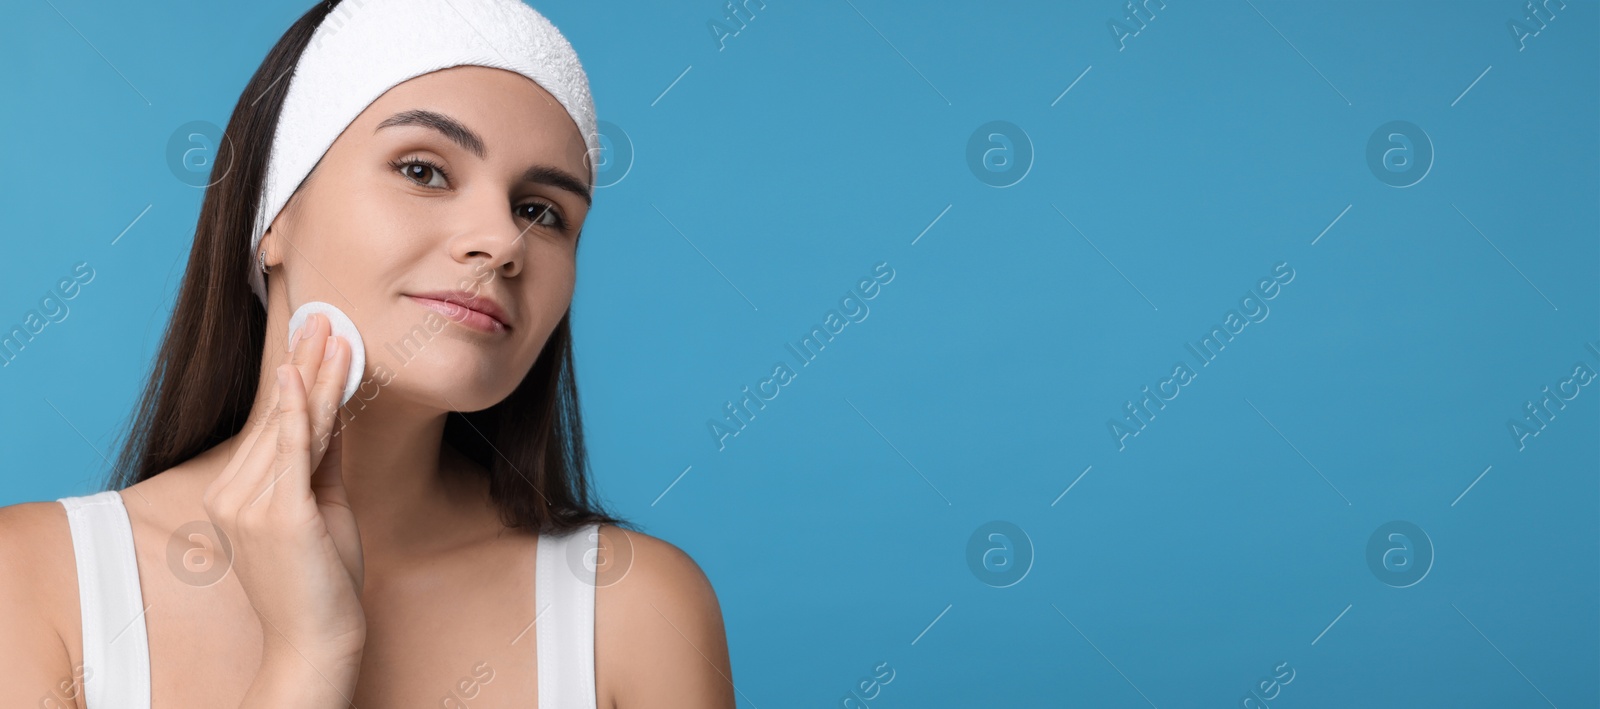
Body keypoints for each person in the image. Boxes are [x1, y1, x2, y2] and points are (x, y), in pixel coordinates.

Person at [0, 1, 735, 706]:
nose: (501, 242)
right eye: (423, 169)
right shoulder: (33, 582)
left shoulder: (636, 612)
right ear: (272, 214)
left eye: (542, 212)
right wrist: (306, 658)